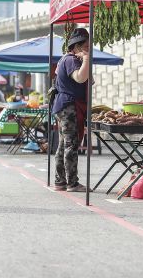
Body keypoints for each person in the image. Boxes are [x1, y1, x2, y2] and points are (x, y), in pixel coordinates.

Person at [51, 27, 90, 193]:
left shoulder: (67, 60)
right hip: (69, 106)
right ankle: (72, 183)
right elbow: (80, 78)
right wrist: (86, 59)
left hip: (64, 105)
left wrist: (85, 61)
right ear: (77, 46)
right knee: (71, 144)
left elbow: (88, 80)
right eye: (86, 46)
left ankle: (60, 181)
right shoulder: (71, 60)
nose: (89, 49)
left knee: (63, 145)